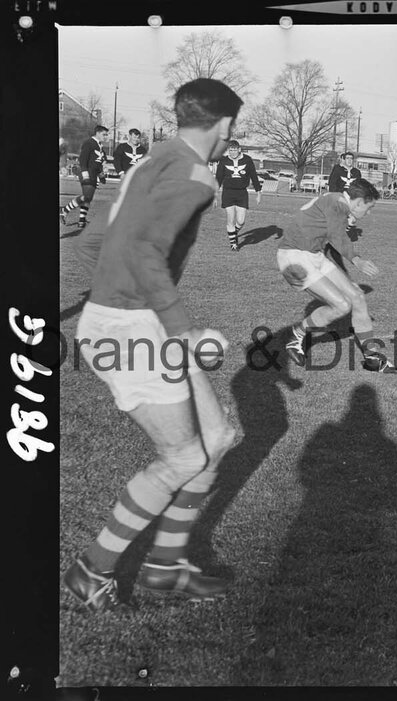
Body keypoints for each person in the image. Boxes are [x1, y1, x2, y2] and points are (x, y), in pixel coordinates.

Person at [63, 78, 245, 612]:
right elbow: (144, 247)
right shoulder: (194, 174)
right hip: (131, 326)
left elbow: (105, 236)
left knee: (218, 438)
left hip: (128, 317)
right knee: (184, 455)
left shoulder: (153, 157)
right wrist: (184, 330)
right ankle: (91, 570)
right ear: (226, 125)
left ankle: (165, 566)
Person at [278, 179, 397, 373]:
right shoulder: (337, 204)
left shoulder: (336, 203)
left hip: (314, 255)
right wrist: (356, 259)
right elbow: (338, 238)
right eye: (369, 208)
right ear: (358, 202)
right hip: (294, 257)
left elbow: (330, 244)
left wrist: (346, 278)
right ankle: (297, 335)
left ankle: (372, 357)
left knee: (357, 296)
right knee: (342, 306)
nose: (368, 213)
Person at [214, 140, 262, 251]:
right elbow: (218, 179)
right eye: (230, 150)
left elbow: (254, 176)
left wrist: (258, 192)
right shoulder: (224, 161)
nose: (232, 152)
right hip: (228, 193)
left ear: (239, 149)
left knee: (241, 221)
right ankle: (234, 244)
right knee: (230, 219)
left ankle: (233, 233)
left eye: (234, 150)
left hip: (242, 193)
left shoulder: (247, 160)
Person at [60, 124, 109, 229]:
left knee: (88, 198)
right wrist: (85, 173)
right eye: (104, 134)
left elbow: (98, 163)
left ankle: (81, 221)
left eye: (106, 135)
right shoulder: (89, 143)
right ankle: (64, 210)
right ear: (98, 133)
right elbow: (83, 159)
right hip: (87, 173)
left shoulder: (99, 145)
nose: (106, 137)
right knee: (85, 197)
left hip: (93, 174)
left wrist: (101, 176)